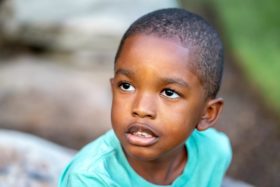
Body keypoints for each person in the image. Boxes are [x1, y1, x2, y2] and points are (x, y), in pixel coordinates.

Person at [58, 8, 232, 187]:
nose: (141, 108)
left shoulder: (213, 153)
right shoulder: (90, 178)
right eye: (126, 86)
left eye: (169, 93)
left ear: (207, 113)